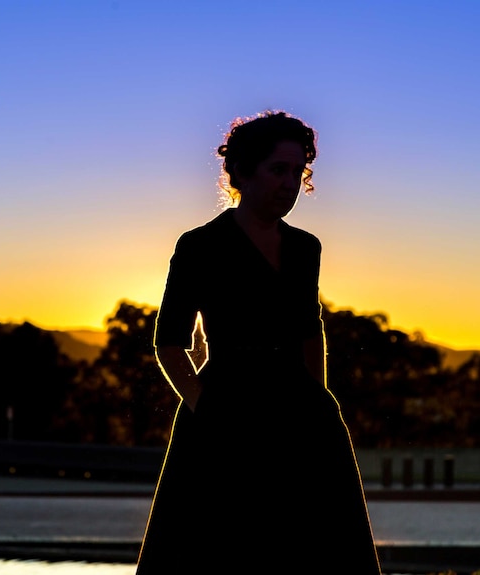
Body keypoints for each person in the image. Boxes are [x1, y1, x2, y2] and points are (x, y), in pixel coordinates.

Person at [135, 111, 382, 574]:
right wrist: (203, 406)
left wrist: (317, 400)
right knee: (218, 549)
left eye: (298, 171)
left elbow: (312, 331)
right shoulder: (199, 246)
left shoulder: (307, 247)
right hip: (223, 410)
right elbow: (168, 342)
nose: (290, 183)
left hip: (301, 412)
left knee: (315, 551)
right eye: (278, 169)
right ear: (243, 172)